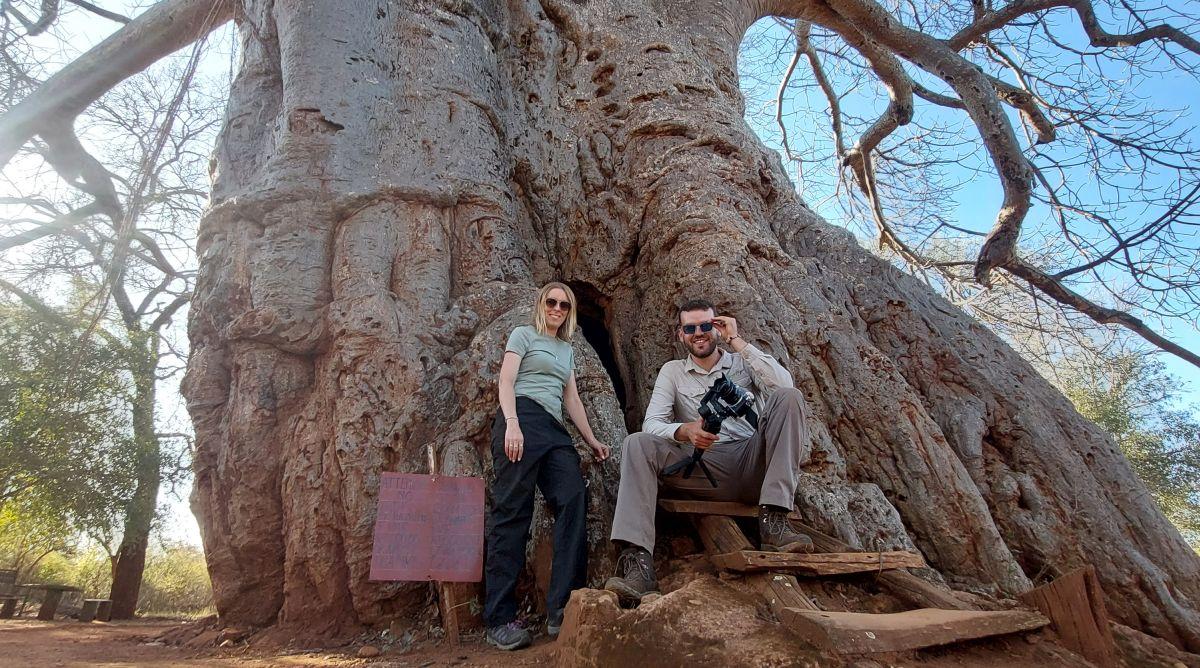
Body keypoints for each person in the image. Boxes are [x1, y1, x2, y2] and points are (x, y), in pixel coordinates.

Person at [604, 298, 815, 604]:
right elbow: (651, 424)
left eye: (706, 325)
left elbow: (784, 384)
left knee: (789, 398)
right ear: (681, 334)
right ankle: (638, 566)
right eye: (690, 328)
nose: (698, 333)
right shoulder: (673, 372)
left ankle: (775, 523)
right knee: (637, 443)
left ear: (717, 327)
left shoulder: (742, 361)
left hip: (752, 462)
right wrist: (685, 431)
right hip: (704, 469)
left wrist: (736, 340)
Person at [484, 282, 612, 651]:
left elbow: (571, 398)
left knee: (573, 498)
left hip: (554, 430)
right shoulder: (523, 334)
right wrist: (511, 423)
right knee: (512, 514)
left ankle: (561, 606)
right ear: (541, 305)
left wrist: (591, 439)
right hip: (521, 417)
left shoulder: (566, 350)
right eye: (551, 302)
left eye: (564, 305)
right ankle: (499, 618)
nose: (557, 308)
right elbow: (506, 380)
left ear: (570, 312)